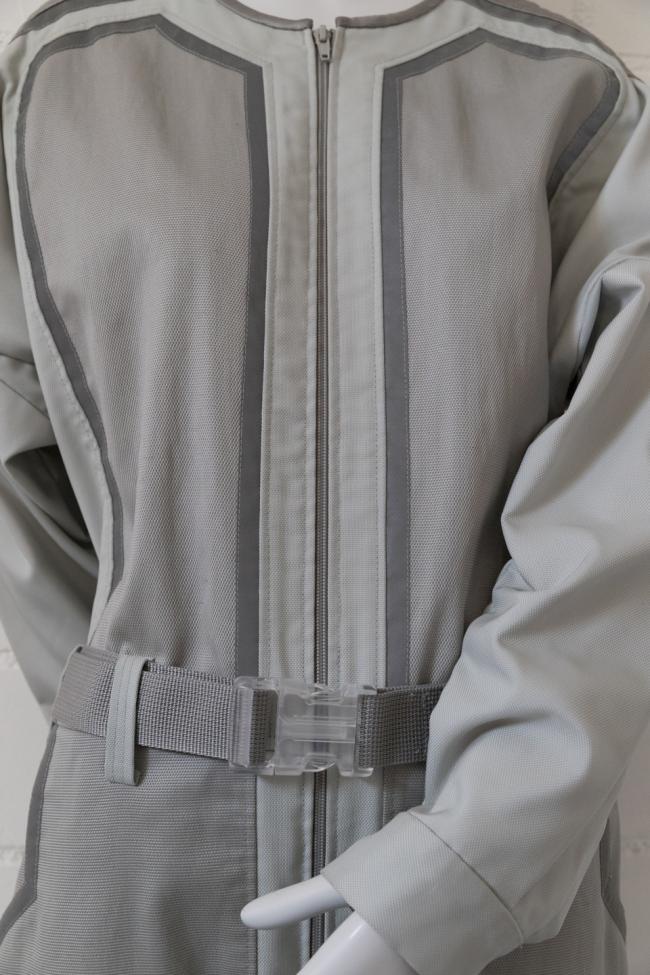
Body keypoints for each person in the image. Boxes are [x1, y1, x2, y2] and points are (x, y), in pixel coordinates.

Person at [0, 0, 648, 973]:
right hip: (135, 876)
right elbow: (22, 482)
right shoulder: (55, 82)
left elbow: (616, 534)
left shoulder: (573, 100)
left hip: (484, 859)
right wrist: (151, 723)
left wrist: (470, 857)